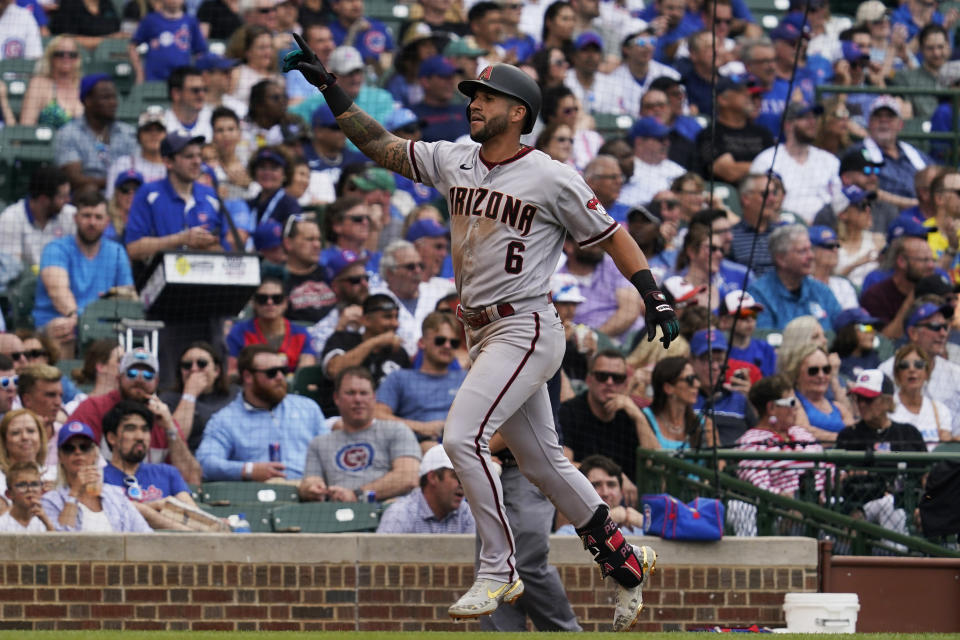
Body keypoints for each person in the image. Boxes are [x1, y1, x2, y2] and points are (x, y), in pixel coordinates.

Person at [285, 44, 672, 628]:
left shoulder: (550, 174)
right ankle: (622, 560)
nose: (476, 103)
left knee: (461, 436)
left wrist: (653, 293)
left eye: (487, 97)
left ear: (518, 112)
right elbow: (381, 146)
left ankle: (498, 568)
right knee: (543, 463)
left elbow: (612, 235)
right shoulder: (455, 159)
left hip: (527, 323)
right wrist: (332, 90)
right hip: (484, 332)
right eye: (474, 95)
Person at [197, 345, 327, 481]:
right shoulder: (226, 419)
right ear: (248, 377)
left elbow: (328, 453)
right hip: (258, 495)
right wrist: (248, 470)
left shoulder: (307, 407)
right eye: (272, 373)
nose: (280, 377)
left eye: (283, 371)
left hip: (309, 490)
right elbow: (206, 462)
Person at [67, 348, 199, 483]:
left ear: (157, 381)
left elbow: (192, 480)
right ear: (119, 377)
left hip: (153, 496)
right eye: (132, 373)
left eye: (148, 375)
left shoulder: (163, 418)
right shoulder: (93, 408)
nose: (140, 379)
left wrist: (171, 429)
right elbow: (70, 461)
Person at [32, 189, 135, 353]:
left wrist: (114, 298)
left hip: (102, 326)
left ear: (107, 221)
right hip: (58, 321)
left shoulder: (117, 252)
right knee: (66, 331)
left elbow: (129, 295)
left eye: (98, 217)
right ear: (76, 218)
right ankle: (64, 379)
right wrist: (80, 319)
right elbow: (58, 293)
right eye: (86, 215)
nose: (92, 222)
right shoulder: (56, 249)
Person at [298, 366, 420, 502]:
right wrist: (312, 489)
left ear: (374, 397)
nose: (358, 399)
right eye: (350, 393)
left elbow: (409, 477)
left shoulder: (396, 430)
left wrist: (357, 495)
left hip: (387, 510)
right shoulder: (320, 443)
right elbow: (310, 482)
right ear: (336, 398)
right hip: (337, 514)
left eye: (363, 393)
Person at [124, 132, 229, 262]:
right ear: (168, 162)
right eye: (189, 156)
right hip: (159, 278)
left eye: (199, 156)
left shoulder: (211, 195)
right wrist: (182, 239)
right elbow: (133, 248)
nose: (197, 162)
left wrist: (209, 245)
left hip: (205, 276)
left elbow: (226, 249)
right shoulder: (148, 193)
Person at [101, 400, 199, 530]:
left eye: (145, 429)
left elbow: (194, 516)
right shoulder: (98, 476)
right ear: (111, 438)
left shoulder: (167, 473)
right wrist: (156, 506)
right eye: (130, 429)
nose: (140, 436)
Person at [41, 420, 152, 533]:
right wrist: (74, 493)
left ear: (95, 453)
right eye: (69, 448)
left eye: (84, 447)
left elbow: (145, 534)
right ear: (60, 456)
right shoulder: (50, 501)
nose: (78, 452)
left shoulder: (116, 495)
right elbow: (60, 542)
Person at [375, 311, 466, 447]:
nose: (447, 346)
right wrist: (422, 427)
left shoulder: (467, 378)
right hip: (414, 448)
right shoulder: (400, 378)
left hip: (462, 447)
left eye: (453, 343)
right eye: (440, 340)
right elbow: (377, 415)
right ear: (422, 343)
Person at [318, 293, 411, 416]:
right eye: (387, 317)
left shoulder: (399, 353)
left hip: (385, 422)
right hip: (339, 419)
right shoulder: (342, 339)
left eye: (396, 317)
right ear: (366, 320)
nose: (395, 324)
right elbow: (334, 370)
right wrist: (375, 341)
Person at [736, 375, 824, 503]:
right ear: (771, 408)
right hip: (780, 513)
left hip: (825, 505)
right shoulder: (750, 442)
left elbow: (829, 469)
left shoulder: (800, 433)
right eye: (791, 402)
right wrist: (788, 501)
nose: (796, 408)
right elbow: (758, 486)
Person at [749, 103, 841, 224]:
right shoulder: (766, 160)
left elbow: (838, 201)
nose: (813, 122)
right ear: (788, 125)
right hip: (783, 226)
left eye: (814, 118)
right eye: (806, 118)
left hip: (824, 229)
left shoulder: (829, 160)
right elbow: (754, 202)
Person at [879, 301, 960, 433]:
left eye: (945, 327)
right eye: (935, 327)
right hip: (899, 448)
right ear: (913, 333)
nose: (943, 333)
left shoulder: (956, 373)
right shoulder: (887, 371)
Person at [748, 224, 843, 331]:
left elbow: (842, 331)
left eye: (810, 249)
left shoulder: (822, 292)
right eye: (802, 251)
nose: (811, 256)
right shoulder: (760, 294)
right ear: (781, 259)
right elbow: (763, 339)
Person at [53, 75, 137, 192]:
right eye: (106, 98)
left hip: (124, 196)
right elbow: (74, 179)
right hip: (86, 199)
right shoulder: (68, 133)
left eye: (114, 97)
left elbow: (138, 169)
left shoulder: (128, 132)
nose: (113, 103)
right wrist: (117, 182)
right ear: (88, 101)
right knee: (89, 190)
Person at [848, 96, 931, 209]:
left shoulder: (916, 154)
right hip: (880, 214)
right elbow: (866, 192)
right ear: (869, 122)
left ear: (900, 125)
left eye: (890, 116)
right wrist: (914, 205)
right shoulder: (857, 153)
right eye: (878, 116)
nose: (884, 120)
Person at [225, 277, 317, 376]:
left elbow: (305, 374)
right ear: (253, 303)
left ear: (285, 303)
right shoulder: (238, 332)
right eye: (262, 299)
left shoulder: (302, 334)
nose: (270, 302)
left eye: (277, 299)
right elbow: (231, 372)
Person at [860, 221, 937, 339]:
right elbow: (884, 343)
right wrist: (913, 297)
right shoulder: (876, 295)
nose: (931, 266)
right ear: (901, 261)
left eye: (933, 260)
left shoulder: (937, 288)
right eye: (924, 260)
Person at [557, 237, 642, 342]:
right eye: (587, 237)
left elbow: (629, 311)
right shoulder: (558, 278)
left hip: (629, 340)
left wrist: (595, 336)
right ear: (568, 245)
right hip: (583, 347)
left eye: (597, 236)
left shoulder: (614, 263)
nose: (596, 242)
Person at [375, 443, 474, 533]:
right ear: (432, 477)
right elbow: (381, 552)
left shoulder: (467, 513)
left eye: (466, 477)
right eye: (456, 477)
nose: (464, 484)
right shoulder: (400, 513)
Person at [159, 342, 235, 454]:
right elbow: (174, 441)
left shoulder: (235, 395)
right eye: (187, 365)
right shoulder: (168, 399)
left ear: (216, 370)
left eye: (202, 363)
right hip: (189, 463)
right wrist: (190, 394)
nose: (194, 369)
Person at [695, 76, 773, 184]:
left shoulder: (763, 133)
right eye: (741, 91)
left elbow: (778, 166)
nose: (749, 94)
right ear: (723, 100)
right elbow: (730, 171)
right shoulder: (710, 134)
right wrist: (766, 166)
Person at [0, 166, 74, 271]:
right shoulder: (10, 218)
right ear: (43, 199)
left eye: (68, 195)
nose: (68, 200)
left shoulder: (71, 215)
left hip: (63, 280)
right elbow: (10, 267)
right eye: (62, 197)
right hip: (24, 284)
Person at [690, 329, 756, 446]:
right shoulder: (686, 398)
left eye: (720, 360)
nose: (715, 367)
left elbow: (759, 433)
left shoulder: (740, 398)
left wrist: (752, 400)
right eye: (707, 359)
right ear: (692, 361)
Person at [554, 455, 644, 536]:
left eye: (611, 484)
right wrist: (604, 520)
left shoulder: (639, 527)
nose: (605, 493)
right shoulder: (567, 532)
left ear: (621, 492)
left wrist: (646, 524)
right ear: (580, 491)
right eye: (596, 485)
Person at [888, 343, 954, 449]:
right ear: (897, 374)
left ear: (927, 372)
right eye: (904, 365)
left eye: (918, 364)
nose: (912, 370)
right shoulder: (887, 408)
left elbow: (944, 449)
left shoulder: (940, 410)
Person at [782, 343, 852, 442]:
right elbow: (803, 431)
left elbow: (854, 433)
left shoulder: (839, 408)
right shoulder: (793, 402)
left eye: (826, 370)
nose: (821, 375)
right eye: (813, 371)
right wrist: (842, 439)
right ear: (797, 374)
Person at [130, 0, 208, 83]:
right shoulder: (150, 20)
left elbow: (200, 51)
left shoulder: (191, 22)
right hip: (154, 79)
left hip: (182, 81)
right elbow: (132, 46)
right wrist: (139, 72)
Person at [619, 117, 685, 209]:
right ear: (639, 142)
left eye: (667, 139)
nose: (667, 143)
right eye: (660, 139)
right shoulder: (626, 168)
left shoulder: (676, 169)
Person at [19, 35, 83, 128]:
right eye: (60, 54)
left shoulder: (84, 86)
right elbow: (25, 127)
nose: (66, 58)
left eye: (72, 54)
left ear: (77, 59)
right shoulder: (38, 84)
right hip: (48, 142)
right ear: (50, 57)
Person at [729, 172, 786, 276]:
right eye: (765, 194)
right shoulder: (730, 236)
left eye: (774, 193)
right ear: (746, 199)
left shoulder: (784, 233)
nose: (772, 199)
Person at [0, 409, 52, 513]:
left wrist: (54, 496)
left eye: (31, 431)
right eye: (15, 433)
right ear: (4, 441)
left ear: (40, 437)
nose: (25, 437)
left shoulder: (54, 476)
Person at [717, 290, 776, 377]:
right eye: (743, 315)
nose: (750, 320)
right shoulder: (718, 351)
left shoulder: (766, 349)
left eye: (753, 314)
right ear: (724, 321)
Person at [411, 55, 469, 142]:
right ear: (425, 81)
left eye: (452, 76)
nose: (451, 82)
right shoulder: (410, 115)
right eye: (444, 77)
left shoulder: (467, 111)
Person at [810, 225, 860, 310]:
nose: (835, 250)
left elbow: (853, 318)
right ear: (812, 251)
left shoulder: (843, 284)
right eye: (829, 246)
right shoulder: (802, 284)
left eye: (837, 245)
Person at [161, 66, 213, 142]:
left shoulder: (213, 118)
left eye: (204, 90)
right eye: (195, 90)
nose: (202, 95)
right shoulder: (160, 126)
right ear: (176, 93)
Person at [0, 461, 54, 532]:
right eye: (22, 485)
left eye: (34, 484)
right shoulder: (2, 524)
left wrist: (47, 524)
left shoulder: (46, 520)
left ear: (41, 491)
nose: (30, 489)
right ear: (9, 494)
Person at [831, 307, 883, 380]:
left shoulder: (873, 358)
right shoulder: (835, 361)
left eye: (873, 327)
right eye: (866, 327)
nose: (872, 332)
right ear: (847, 331)